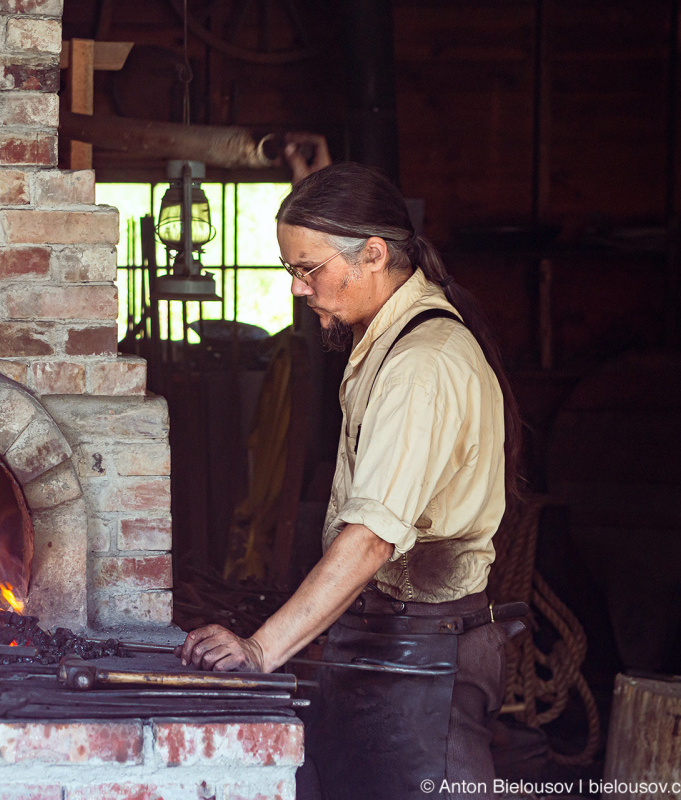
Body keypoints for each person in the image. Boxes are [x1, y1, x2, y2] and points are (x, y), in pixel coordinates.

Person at [176, 162, 526, 800]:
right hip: (381, 642)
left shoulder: (423, 364)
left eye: (308, 269)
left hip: (426, 659)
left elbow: (370, 538)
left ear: (372, 253)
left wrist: (259, 650)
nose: (298, 290)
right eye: (291, 270)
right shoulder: (382, 345)